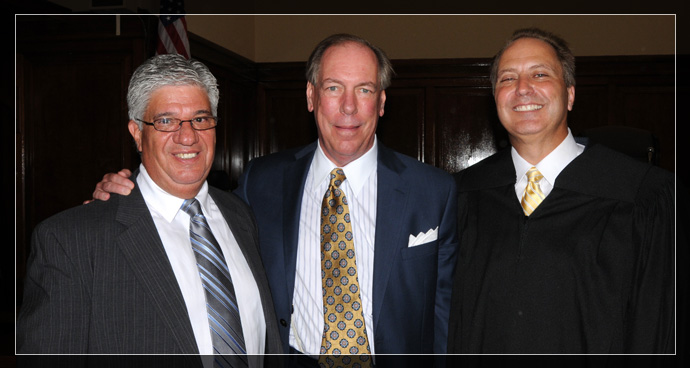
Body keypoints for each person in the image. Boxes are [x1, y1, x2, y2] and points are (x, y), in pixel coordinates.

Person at [89, 34, 458, 367]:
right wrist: (126, 195)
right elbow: (188, 219)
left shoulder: (433, 191)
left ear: (381, 101)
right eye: (333, 88)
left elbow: (446, 315)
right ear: (311, 97)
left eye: (364, 90)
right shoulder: (261, 181)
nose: (348, 107)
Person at [17, 54, 283, 367]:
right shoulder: (70, 241)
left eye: (200, 119)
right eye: (166, 121)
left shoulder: (239, 215)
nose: (188, 136)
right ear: (137, 132)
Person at [447, 28, 676, 354]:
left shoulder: (645, 196)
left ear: (569, 93)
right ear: (495, 97)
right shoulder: (461, 196)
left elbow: (660, 330)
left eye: (540, 74)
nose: (522, 89)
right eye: (507, 79)